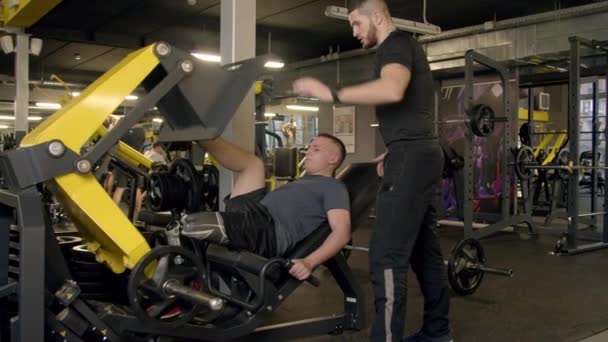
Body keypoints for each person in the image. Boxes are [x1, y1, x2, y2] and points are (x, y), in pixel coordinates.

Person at [291, 1, 451, 341]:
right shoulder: (403, 47)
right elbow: (409, 112)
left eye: (356, 23)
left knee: (386, 256)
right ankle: (438, 333)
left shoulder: (395, 44)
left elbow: (392, 89)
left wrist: (332, 93)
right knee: (424, 253)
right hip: (416, 153)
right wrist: (394, 151)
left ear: (378, 16)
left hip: (412, 156)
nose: (354, 32)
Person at [180, 133, 351, 280]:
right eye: (310, 147)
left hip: (268, 231)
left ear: (333, 159)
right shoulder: (304, 181)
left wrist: (309, 262)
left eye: (316, 149)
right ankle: (201, 135)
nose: (308, 152)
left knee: (191, 225)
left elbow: (342, 233)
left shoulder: (333, 186)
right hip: (256, 215)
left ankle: (181, 288)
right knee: (254, 165)